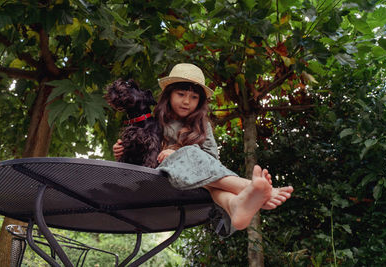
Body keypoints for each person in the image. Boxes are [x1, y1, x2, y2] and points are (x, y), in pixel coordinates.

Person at [113, 63, 293, 233]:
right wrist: (121, 150)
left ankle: (235, 205)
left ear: (200, 101)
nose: (186, 102)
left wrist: (182, 153)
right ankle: (247, 186)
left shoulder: (202, 125)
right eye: (181, 94)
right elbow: (139, 150)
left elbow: (211, 160)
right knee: (190, 155)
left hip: (198, 184)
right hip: (160, 179)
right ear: (169, 94)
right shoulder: (155, 120)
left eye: (194, 97)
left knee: (211, 183)